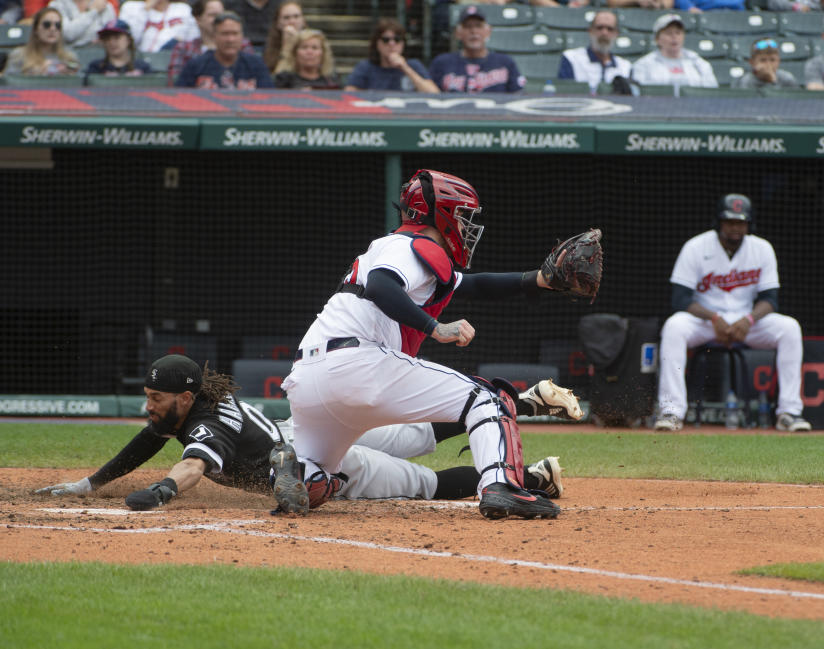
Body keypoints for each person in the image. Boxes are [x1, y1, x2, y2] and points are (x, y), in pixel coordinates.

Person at [280, 169, 589, 519]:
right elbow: (382, 286)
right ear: (440, 214)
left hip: (307, 379)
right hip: (357, 363)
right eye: (461, 216)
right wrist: (435, 328)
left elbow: (474, 285)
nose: (466, 226)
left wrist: (539, 280)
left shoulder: (397, 250)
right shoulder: (410, 246)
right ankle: (502, 486)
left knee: (318, 476)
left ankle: (305, 474)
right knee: (487, 398)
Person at [35, 355, 576, 509]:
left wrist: (163, 490)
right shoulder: (202, 401)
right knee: (416, 433)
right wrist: (92, 482)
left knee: (424, 484)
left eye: (154, 398)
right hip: (310, 431)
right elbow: (146, 443)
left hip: (318, 459)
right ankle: (520, 401)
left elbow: (194, 464)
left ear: (182, 397)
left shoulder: (203, 423)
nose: (146, 407)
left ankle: (528, 475)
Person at [654, 194, 812, 433]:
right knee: (674, 326)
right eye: (729, 222)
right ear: (719, 222)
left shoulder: (762, 248)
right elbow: (680, 299)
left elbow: (770, 300)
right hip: (705, 321)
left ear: (749, 224)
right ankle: (672, 411)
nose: (735, 228)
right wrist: (713, 318)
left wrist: (749, 320)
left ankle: (789, 412)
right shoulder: (696, 247)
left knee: (789, 328)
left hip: (746, 322)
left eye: (740, 222)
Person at [429, 5, 524, 94]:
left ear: (488, 31)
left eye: (478, 26)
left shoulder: (505, 62)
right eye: (467, 26)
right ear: (458, 33)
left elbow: (518, 97)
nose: (473, 31)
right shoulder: (442, 63)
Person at [175, 11, 273, 89]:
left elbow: (270, 101)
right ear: (214, 36)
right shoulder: (195, 66)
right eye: (225, 34)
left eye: (235, 33)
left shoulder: (256, 65)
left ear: (242, 36)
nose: (230, 39)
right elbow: (179, 98)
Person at [166, 0, 255, 86]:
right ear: (198, 19)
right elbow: (175, 84)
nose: (218, 20)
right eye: (212, 15)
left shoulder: (242, 45)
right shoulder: (184, 48)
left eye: (221, 14)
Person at [344, 18, 439, 93]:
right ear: (377, 43)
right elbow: (349, 94)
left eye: (397, 39)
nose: (391, 44)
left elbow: (434, 93)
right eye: (386, 40)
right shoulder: (366, 67)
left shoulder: (413, 65)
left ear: (403, 44)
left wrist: (405, 68)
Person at [630, 13, 717, 89]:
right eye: (668, 33)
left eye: (678, 33)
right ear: (657, 39)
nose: (674, 37)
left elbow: (711, 90)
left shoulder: (697, 62)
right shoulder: (643, 64)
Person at [556, 11, 631, 92]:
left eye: (610, 29)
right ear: (590, 31)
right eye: (599, 28)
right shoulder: (572, 58)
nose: (604, 33)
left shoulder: (625, 66)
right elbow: (565, 94)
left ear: (616, 33)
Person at [2, 7, 79, 76]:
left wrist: (69, 75)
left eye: (58, 25)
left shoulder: (69, 58)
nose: (53, 29)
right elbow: (8, 82)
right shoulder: (18, 56)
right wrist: (33, 74)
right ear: (36, 29)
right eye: (47, 24)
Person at [119, 0, 199, 53]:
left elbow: (193, 38)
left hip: (171, 58)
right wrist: (145, 9)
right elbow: (130, 41)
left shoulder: (183, 9)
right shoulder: (131, 7)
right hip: (139, 62)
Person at [273, 28, 339, 89]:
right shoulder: (283, 80)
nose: (309, 52)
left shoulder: (331, 82)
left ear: (323, 53)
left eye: (314, 48)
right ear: (295, 52)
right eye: (304, 47)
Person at [84, 19, 152, 79]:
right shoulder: (96, 67)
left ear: (128, 40)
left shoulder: (142, 67)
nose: (111, 42)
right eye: (107, 38)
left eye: (117, 37)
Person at [733, 38, 799, 89]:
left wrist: (773, 81)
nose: (768, 64)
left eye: (772, 60)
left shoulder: (787, 79)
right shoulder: (745, 81)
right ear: (752, 62)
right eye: (763, 60)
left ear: (778, 61)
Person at [48, 0, 116, 48]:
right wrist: (93, 11)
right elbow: (68, 35)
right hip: (68, 55)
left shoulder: (103, 4)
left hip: (99, 54)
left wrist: (77, 38)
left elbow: (110, 37)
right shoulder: (57, 5)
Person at [262, 0, 303, 73]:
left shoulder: (313, 40)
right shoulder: (270, 47)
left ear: (303, 20)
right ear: (278, 23)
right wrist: (286, 48)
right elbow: (276, 79)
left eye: (296, 16)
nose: (292, 21)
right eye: (286, 18)